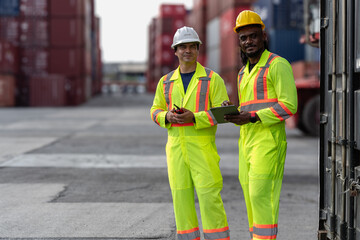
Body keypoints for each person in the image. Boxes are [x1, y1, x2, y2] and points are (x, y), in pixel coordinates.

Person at [223, 10, 298, 240]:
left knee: (261, 197)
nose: (248, 41)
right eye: (243, 38)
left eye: (253, 36)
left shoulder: (277, 65)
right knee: (250, 198)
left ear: (263, 37)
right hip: (246, 143)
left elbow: (289, 106)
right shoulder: (243, 73)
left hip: (269, 143)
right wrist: (233, 113)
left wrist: (253, 117)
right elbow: (249, 109)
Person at [150, 26, 230, 240]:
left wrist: (194, 117)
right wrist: (166, 116)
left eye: (192, 46)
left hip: (203, 150)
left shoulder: (213, 79)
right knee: (181, 202)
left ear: (198, 49)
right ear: (175, 51)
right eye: (183, 47)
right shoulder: (165, 82)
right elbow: (155, 110)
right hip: (176, 151)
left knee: (210, 199)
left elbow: (223, 114)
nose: (187, 50)